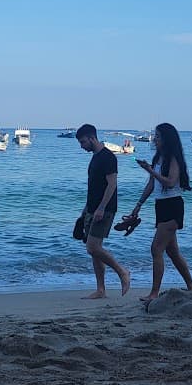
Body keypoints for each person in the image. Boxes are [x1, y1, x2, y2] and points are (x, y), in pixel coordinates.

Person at [128, 122, 192, 303]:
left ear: (166, 139)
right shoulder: (158, 157)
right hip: (160, 206)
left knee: (156, 249)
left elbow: (170, 182)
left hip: (173, 206)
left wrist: (150, 170)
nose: (155, 139)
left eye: (158, 136)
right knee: (173, 251)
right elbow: (152, 184)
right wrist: (138, 205)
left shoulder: (173, 158)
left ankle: (154, 293)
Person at [75, 124, 130, 299]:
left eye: (83, 142)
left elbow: (112, 184)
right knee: (93, 249)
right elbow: (93, 187)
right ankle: (101, 290)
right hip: (92, 208)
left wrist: (101, 208)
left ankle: (122, 272)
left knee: (92, 247)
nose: (81, 146)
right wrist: (85, 210)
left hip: (104, 209)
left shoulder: (108, 157)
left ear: (92, 138)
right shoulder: (95, 157)